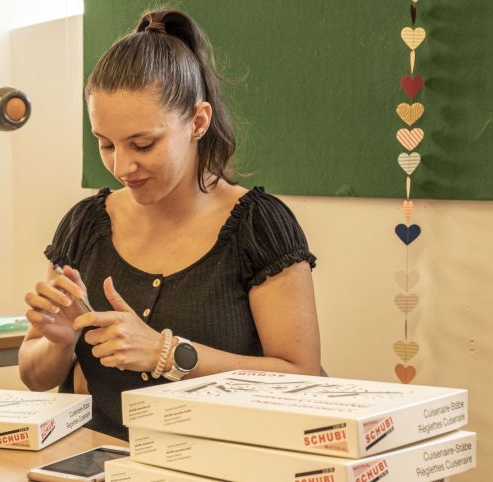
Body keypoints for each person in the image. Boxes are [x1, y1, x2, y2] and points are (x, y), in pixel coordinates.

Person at [18, 7, 321, 441]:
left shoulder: (258, 226)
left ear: (198, 121)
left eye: (143, 144)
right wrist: (59, 341)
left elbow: (301, 376)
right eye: (105, 144)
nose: (122, 166)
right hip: (101, 461)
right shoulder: (85, 224)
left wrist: (168, 353)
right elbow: (34, 376)